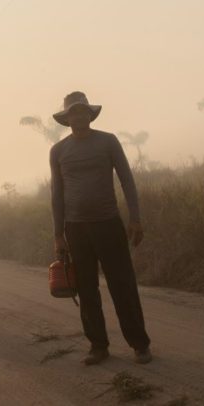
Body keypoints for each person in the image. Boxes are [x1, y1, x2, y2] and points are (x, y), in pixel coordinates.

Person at [49, 91, 152, 365]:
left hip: (108, 224)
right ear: (67, 118)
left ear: (90, 114)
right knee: (86, 289)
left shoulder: (108, 141)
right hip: (75, 229)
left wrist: (135, 218)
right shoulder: (58, 151)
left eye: (82, 111)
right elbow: (57, 194)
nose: (78, 116)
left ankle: (139, 344)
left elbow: (127, 180)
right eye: (73, 112)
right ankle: (98, 345)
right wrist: (58, 235)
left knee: (122, 285)